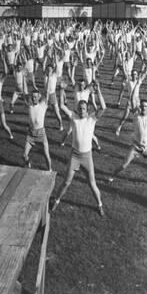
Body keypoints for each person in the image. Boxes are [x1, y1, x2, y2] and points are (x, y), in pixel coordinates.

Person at [50, 80, 107, 217]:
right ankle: (56, 201)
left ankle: (99, 205)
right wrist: (61, 89)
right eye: (79, 108)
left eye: (84, 109)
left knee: (92, 184)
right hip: (75, 156)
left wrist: (98, 90)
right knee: (66, 182)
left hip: (87, 157)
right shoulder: (73, 117)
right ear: (77, 109)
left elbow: (103, 107)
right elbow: (62, 105)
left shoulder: (92, 119)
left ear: (87, 110)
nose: (81, 111)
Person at [108, 76, 147, 187]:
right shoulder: (135, 115)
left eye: (146, 106)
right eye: (142, 106)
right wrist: (136, 86)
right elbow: (133, 97)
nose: (144, 108)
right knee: (124, 165)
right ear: (139, 107)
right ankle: (112, 176)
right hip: (136, 147)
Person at [22, 88, 52, 171]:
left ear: (39, 97)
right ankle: (28, 164)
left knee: (46, 155)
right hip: (31, 134)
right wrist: (23, 77)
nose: (33, 98)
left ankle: (50, 169)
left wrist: (49, 76)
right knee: (24, 155)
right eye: (32, 97)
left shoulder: (43, 105)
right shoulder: (29, 106)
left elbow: (47, 94)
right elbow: (24, 93)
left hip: (41, 133)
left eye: (35, 97)